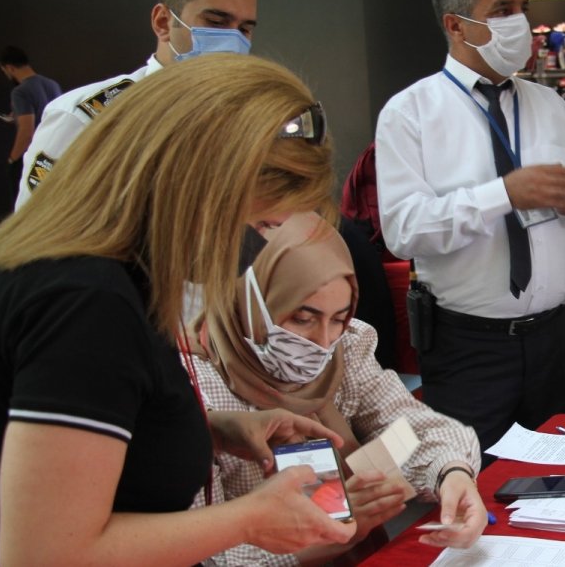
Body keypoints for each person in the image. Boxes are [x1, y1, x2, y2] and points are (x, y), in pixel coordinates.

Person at [0, 54, 357, 564]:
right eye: (258, 224)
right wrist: (251, 519)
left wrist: (210, 429)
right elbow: (46, 554)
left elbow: (96, 424)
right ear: (192, 189)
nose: (255, 250)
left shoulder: (106, 280)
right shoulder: (85, 302)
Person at [375, 0, 565, 457]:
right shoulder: (410, 114)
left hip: (556, 339)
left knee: (561, 483)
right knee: (478, 492)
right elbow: (405, 229)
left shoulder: (551, 106)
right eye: (503, 11)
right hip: (468, 348)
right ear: (456, 25)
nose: (522, 25)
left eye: (523, 9)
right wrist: (501, 196)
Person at [191, 212, 486, 565]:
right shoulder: (197, 387)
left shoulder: (346, 350)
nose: (322, 342)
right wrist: (326, 537)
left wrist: (451, 474)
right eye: (302, 318)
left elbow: (406, 426)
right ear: (252, 302)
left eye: (338, 318)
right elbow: (204, 552)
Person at [15, 0, 259, 208]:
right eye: (215, 22)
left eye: (244, 29)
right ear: (163, 22)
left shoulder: (244, 119)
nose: (232, 39)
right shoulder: (86, 118)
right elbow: (36, 241)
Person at [0, 46, 61, 192]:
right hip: (55, 155)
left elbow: (27, 132)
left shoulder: (20, 92)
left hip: (33, 160)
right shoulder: (52, 84)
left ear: (9, 68)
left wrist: (12, 160)